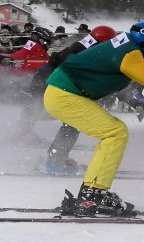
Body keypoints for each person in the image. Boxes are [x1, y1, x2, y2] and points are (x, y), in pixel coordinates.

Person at [44, 21, 144, 216]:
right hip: (64, 95)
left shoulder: (124, 47)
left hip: (62, 92)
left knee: (114, 132)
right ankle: (92, 196)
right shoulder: (130, 53)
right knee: (115, 132)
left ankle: (93, 192)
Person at [24, 26, 118, 172]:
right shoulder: (88, 51)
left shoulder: (84, 46)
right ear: (103, 42)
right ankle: (55, 161)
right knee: (73, 123)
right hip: (50, 85)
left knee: (71, 122)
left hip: (45, 83)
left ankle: (54, 157)